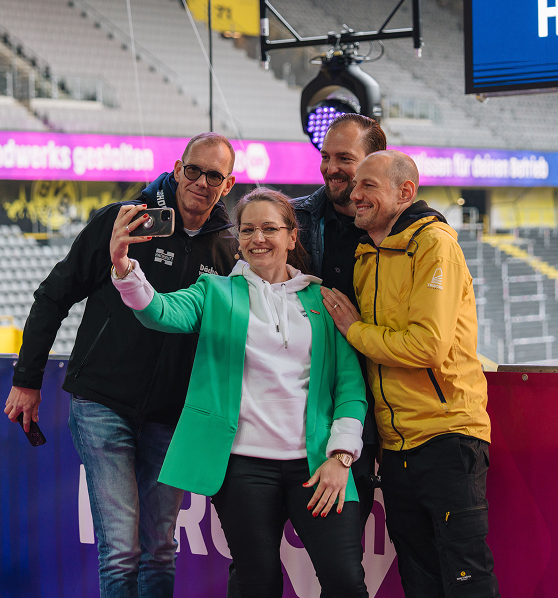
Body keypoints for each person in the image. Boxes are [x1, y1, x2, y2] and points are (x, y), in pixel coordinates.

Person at [4, 132, 240, 598]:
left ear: (228, 185)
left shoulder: (229, 249)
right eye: (194, 170)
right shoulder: (123, 220)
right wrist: (27, 380)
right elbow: (54, 296)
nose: (201, 182)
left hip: (171, 417)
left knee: (159, 550)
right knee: (120, 551)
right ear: (177, 169)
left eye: (214, 175)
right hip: (102, 405)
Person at [110, 187, 368, 598]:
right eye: (248, 230)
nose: (258, 238)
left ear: (292, 236)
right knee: (255, 581)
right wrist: (125, 268)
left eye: (269, 228)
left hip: (318, 466)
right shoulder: (215, 292)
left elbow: (350, 387)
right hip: (243, 467)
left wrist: (341, 456)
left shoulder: (322, 299)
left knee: (345, 581)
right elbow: (159, 311)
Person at [321, 151, 499, 598]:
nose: (355, 195)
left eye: (369, 186)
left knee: (466, 580)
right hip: (396, 448)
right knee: (420, 583)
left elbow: (427, 346)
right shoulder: (366, 254)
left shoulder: (435, 243)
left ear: (405, 193)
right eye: (355, 184)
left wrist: (354, 330)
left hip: (448, 439)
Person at [293, 113, 387, 530]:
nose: (331, 167)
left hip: (365, 410)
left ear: (374, 162)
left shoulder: (402, 233)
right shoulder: (292, 220)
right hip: (291, 409)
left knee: (343, 557)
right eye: (326, 156)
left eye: (344, 158)